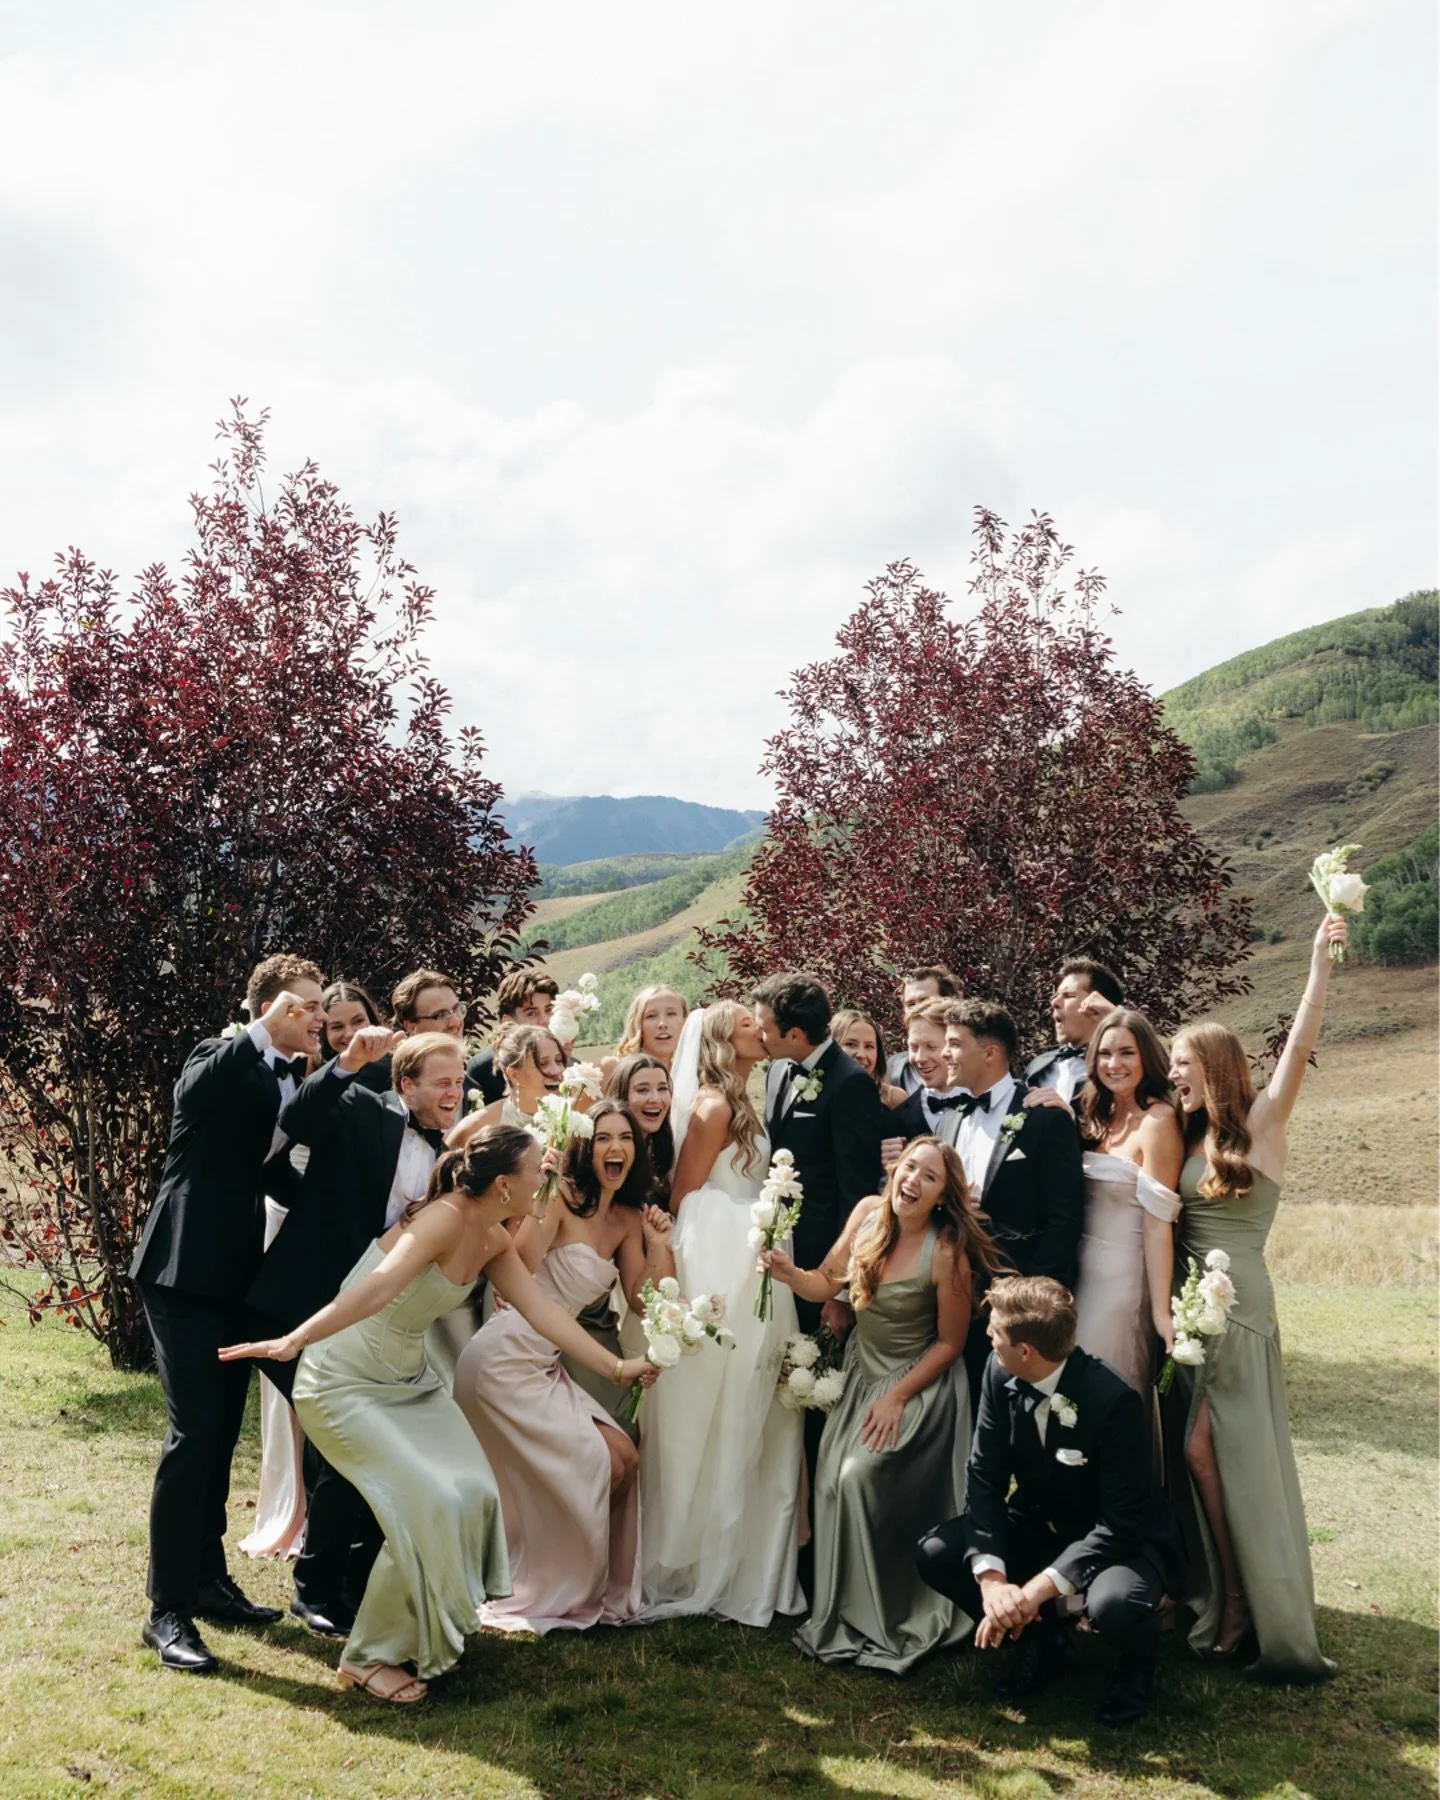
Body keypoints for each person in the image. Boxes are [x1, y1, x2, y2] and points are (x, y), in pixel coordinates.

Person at [219, 1127, 658, 1703]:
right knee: (430, 1502)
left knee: (475, 1491)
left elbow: (543, 1312)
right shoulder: (444, 1219)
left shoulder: (496, 1239)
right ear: (504, 1184)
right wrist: (295, 1339)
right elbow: (375, 1289)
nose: (545, 1180)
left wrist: (617, 1367)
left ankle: (427, 1631)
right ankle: (369, 1658)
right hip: (344, 1383)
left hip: (412, 1384)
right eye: (536, 1172)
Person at [129, 954, 324, 1673]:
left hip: (236, 1278)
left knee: (218, 1437)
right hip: (180, 1272)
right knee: (194, 1435)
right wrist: (261, 1028)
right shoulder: (218, 1053)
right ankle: (166, 1610)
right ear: (271, 1006)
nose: (317, 1016)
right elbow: (195, 1089)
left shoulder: (289, 1079)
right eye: (304, 1005)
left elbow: (269, 1169)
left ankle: (207, 1582)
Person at [1165, 914, 1346, 1682]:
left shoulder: (1263, 1123)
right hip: (1187, 1313)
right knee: (1201, 1453)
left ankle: (1247, 1605)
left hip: (1239, 1308)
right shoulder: (1182, 1130)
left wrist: (1319, 964)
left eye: (1180, 1062)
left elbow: (1301, 1043)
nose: (1172, 1074)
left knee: (1218, 1451)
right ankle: (1223, 1594)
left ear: (1214, 1065)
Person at [246, 1027, 460, 1637]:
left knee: (363, 1448)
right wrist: (346, 1064)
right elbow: (298, 1116)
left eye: (458, 1080)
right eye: (441, 1081)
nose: (454, 1091)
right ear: (406, 1085)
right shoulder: (364, 1109)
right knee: (343, 1448)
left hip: (369, 1323)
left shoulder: (451, 1150)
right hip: (296, 1307)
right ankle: (316, 1591)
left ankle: (357, 1583)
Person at [767, 1139, 1005, 1673]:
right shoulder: (868, 1215)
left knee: (857, 1477)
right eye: (910, 1168)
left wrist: (897, 1397)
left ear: (944, 1197)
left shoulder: (946, 1250)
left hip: (919, 1386)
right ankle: (840, 1615)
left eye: (930, 1177)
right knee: (830, 1481)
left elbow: (949, 1343)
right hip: (861, 1375)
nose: (913, 1182)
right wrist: (788, 1273)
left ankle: (886, 1615)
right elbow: (824, 1282)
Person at [916, 1276, 1185, 1728]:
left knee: (1114, 1605)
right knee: (937, 1552)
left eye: (995, 1332)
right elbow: (984, 1479)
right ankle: (1042, 1644)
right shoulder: (998, 1373)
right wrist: (995, 1584)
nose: (987, 1336)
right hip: (1041, 1524)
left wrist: (1035, 1590)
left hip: (1121, 1542)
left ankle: (1135, 1669)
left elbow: (1120, 1523)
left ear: (1027, 1351)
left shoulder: (1114, 1400)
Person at [455, 1103, 676, 1633]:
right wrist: (542, 1199)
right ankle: (546, 1585)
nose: (614, 1148)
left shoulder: (626, 1220)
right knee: (600, 1464)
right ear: (586, 1147)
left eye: (625, 1138)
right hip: (504, 1361)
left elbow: (645, 1301)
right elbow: (521, 1269)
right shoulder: (559, 1202)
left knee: (625, 1459)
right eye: (602, 1138)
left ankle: (571, 1576)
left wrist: (659, 1243)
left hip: (547, 1361)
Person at [639, 1001, 805, 1625]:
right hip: (727, 1269)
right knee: (718, 1409)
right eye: (746, 1025)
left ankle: (747, 1561)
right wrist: (749, 1231)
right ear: (719, 1039)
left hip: (759, 1265)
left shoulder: (744, 1097)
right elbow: (687, 1199)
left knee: (757, 1408)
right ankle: (696, 1561)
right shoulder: (713, 1107)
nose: (759, 1031)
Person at [935, 999, 1086, 1403]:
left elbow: (1065, 1217)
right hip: (952, 1293)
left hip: (1016, 1294)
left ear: (990, 1052)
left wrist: (1031, 1300)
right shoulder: (949, 1119)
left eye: (953, 1043)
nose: (943, 1053)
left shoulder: (1043, 1116)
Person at [753, 973, 886, 1336]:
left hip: (819, 1257)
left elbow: (857, 1191)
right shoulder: (777, 1068)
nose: (757, 1035)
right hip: (778, 1247)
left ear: (795, 1034)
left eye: (763, 1028)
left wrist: (840, 1290)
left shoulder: (851, 1083)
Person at [1071, 1010, 1182, 1397]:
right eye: (1104, 1053)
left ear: (1146, 1057)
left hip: (1123, 1281)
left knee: (1104, 1389)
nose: (1114, 1064)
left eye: (1126, 1053)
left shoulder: (1158, 1121)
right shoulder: (1097, 1114)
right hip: (1080, 1271)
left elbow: (1157, 1223)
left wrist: (1160, 1312)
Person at [1025, 958, 1124, 1107]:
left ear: (1097, 1005)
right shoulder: (1038, 1066)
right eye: (1055, 996)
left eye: (1068, 995)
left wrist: (1115, 1016)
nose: (1054, 1003)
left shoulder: (1121, 1065)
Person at [884, 998, 972, 1150]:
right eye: (913, 1047)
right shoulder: (896, 1120)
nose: (919, 1058)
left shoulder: (992, 1102)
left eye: (931, 1047)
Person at [391, 967, 483, 1108]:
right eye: (441, 1015)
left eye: (457, 1009)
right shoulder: (387, 1085)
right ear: (410, 1027)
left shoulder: (472, 1087)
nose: (455, 1022)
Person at [466, 971, 559, 1106]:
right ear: (508, 1021)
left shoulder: (567, 1064)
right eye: (531, 1013)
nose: (544, 1020)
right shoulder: (483, 1069)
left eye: (549, 1009)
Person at [455, 1024, 565, 1137]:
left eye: (558, 1060)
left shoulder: (574, 1114)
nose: (557, 1070)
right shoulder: (479, 1126)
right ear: (514, 1074)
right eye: (543, 1064)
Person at [607, 1052, 676, 1207]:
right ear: (622, 1096)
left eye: (662, 1089)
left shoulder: (660, 1147)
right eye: (643, 1090)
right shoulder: (612, 1154)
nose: (656, 1099)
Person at [884, 966, 961, 1095]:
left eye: (926, 1001)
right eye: (910, 1004)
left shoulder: (980, 1071)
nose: (918, 1009)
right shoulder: (893, 1070)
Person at [601, 984, 689, 1082]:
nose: (662, 1024)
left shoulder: (693, 1074)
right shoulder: (611, 1069)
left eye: (671, 1014)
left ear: (685, 1021)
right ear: (637, 1023)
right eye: (651, 1016)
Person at [319, 981, 390, 1093]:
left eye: (358, 1021)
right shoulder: (312, 1073)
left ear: (370, 1019)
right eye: (337, 1027)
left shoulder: (397, 1066)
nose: (350, 1034)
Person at [831, 1008, 909, 1111]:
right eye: (851, 1044)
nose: (861, 1054)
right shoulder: (811, 1093)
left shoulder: (894, 1099)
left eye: (869, 1046)